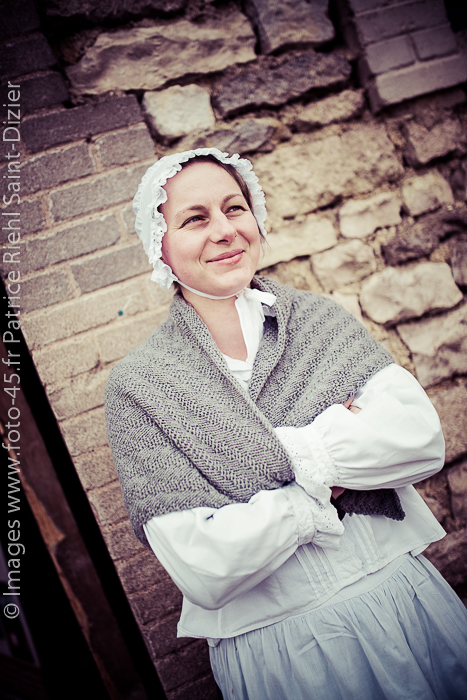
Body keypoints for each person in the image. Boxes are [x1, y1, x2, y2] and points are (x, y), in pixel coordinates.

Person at [105, 148, 467, 700]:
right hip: (282, 654)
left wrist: (255, 478)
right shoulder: (141, 388)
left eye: (235, 208)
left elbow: (418, 440)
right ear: (160, 245)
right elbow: (205, 567)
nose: (224, 230)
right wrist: (327, 473)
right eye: (195, 219)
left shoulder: (321, 321)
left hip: (405, 606)